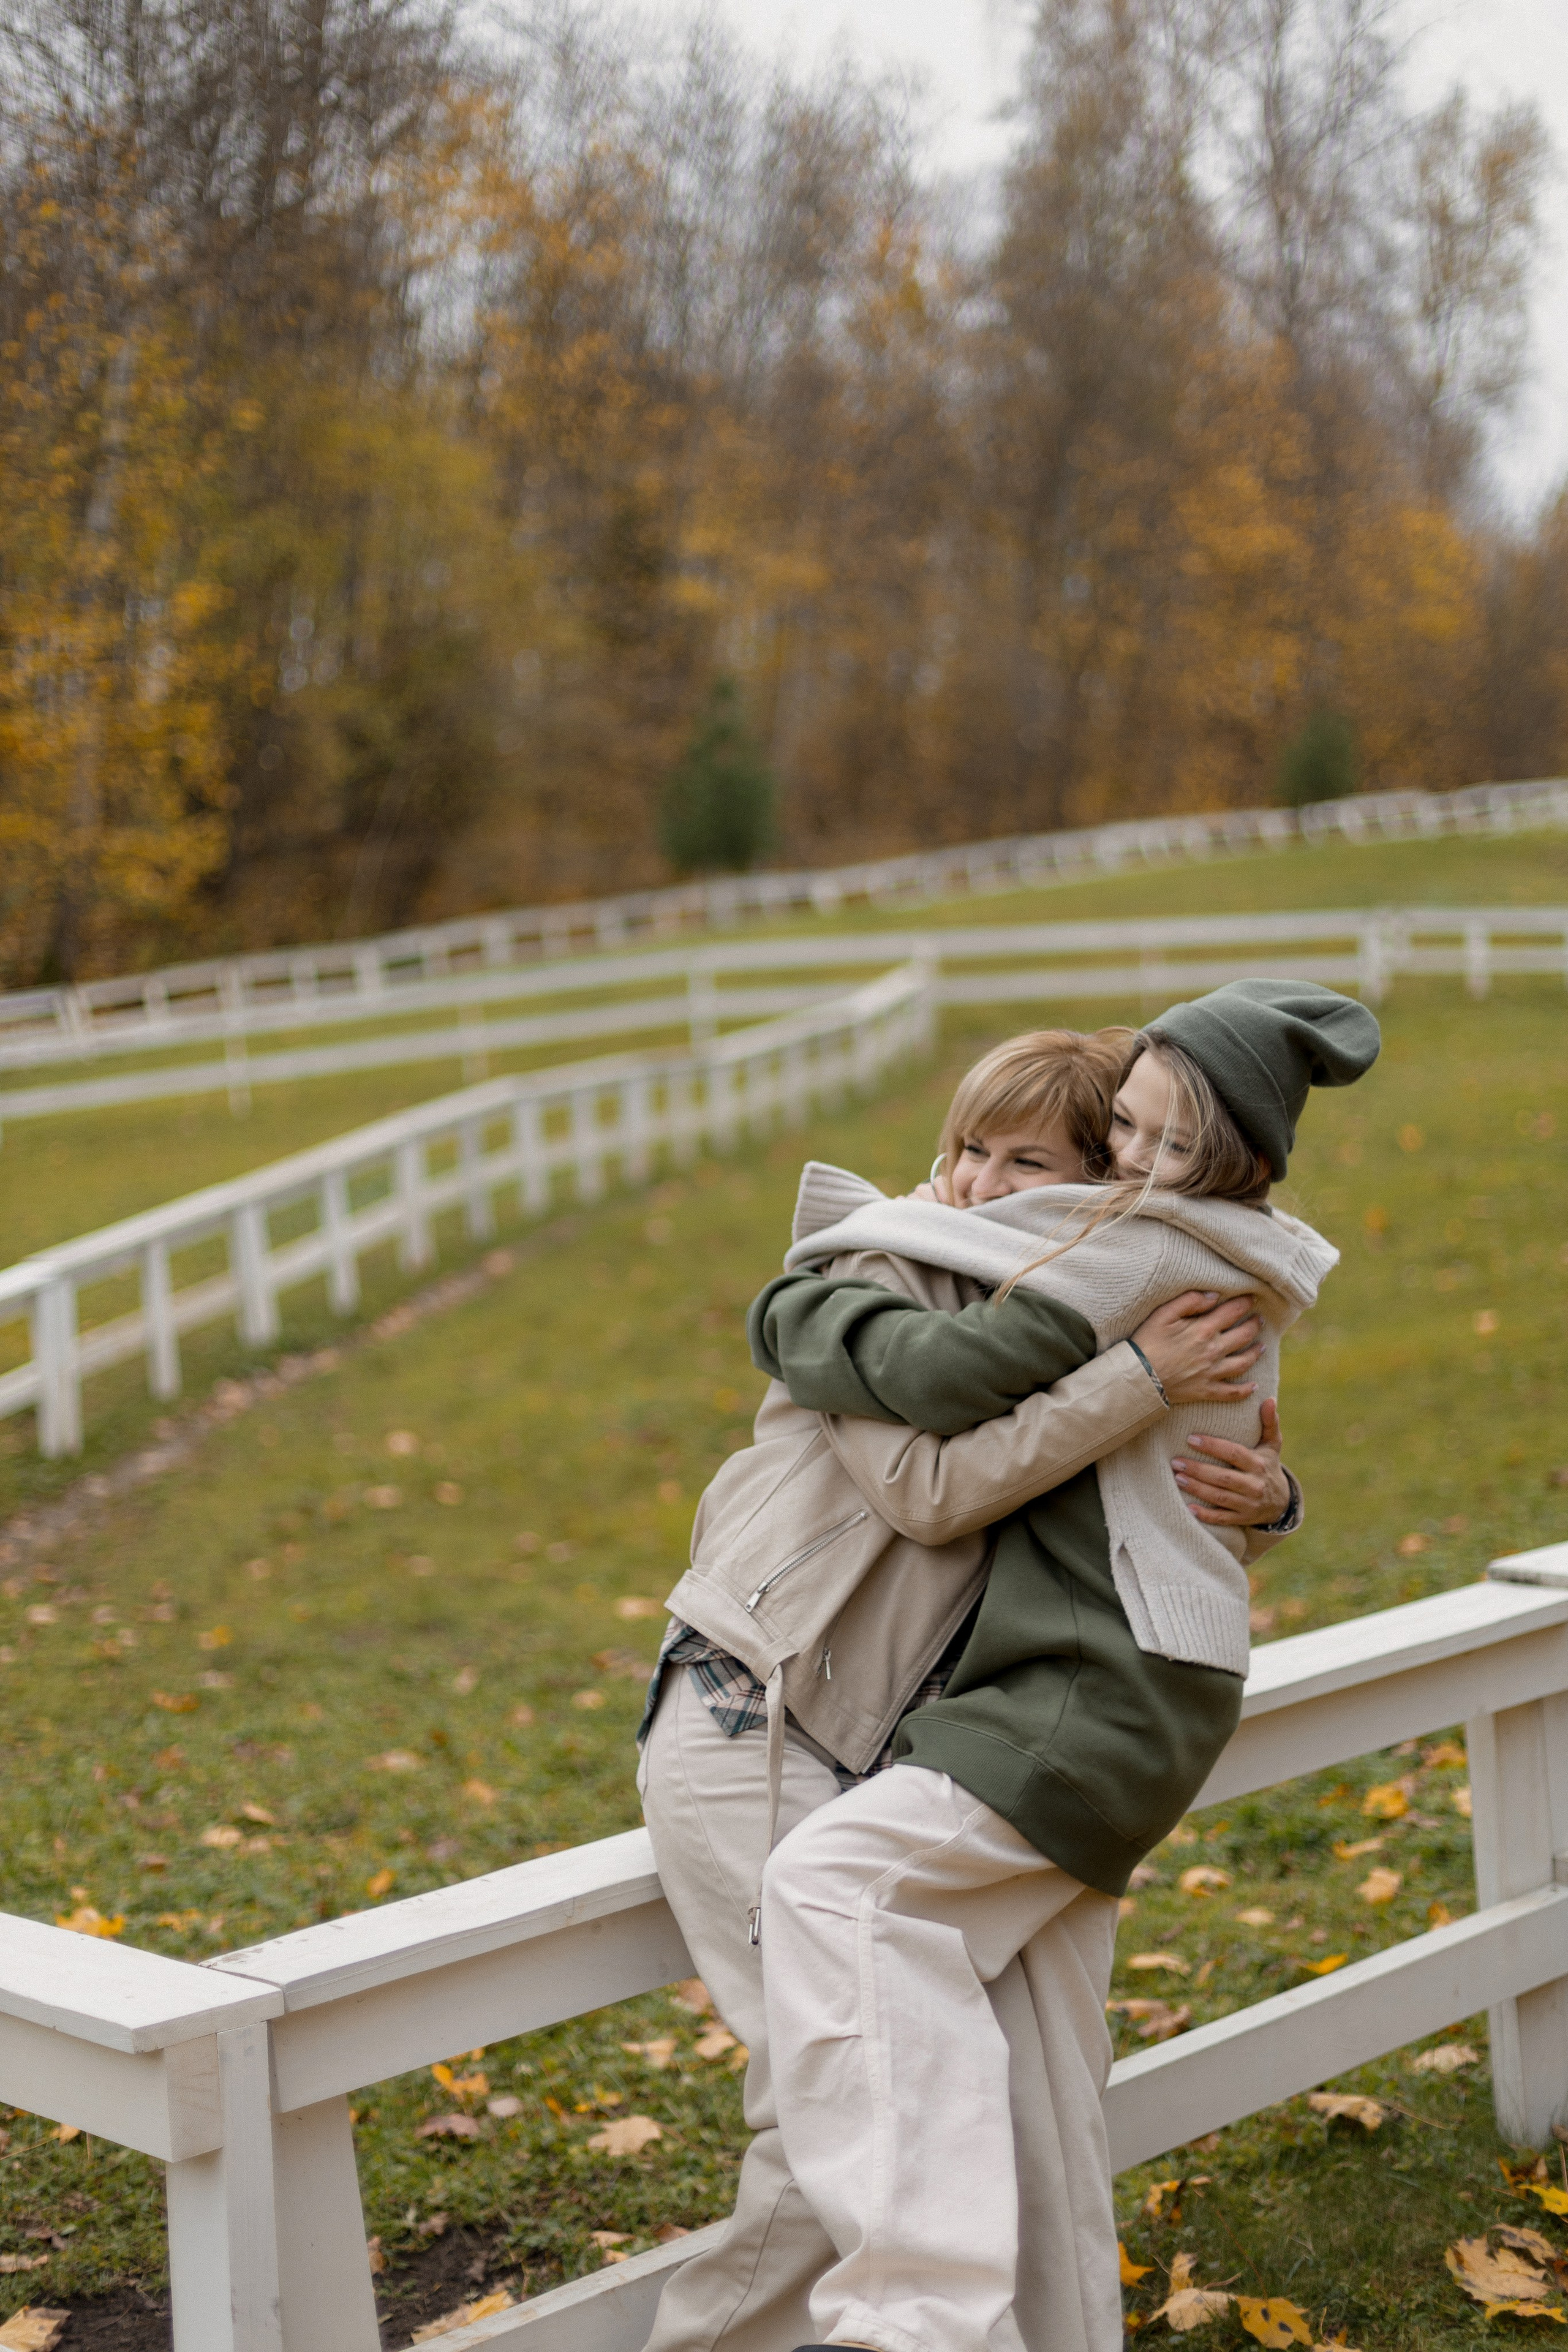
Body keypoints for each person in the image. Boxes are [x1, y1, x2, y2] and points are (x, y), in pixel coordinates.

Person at [637, 1018, 1311, 2352]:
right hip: (755, 1703)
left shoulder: (1073, 1280)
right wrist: (1130, 1382)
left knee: (998, 2076)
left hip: (926, 1730)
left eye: (1024, 1162)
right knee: (824, 2097)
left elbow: (1159, 1496)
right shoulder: (888, 1265)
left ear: (1096, 1184)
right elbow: (927, 1491)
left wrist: (1271, 1494)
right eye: (965, 1148)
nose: (978, 1183)